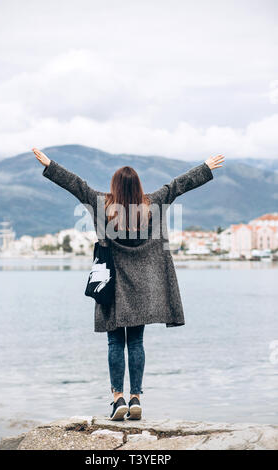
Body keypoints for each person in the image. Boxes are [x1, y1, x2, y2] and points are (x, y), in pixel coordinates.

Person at [32, 147, 224, 420]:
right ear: (138, 186)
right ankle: (136, 398)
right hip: (144, 288)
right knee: (135, 342)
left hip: (112, 286)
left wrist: (50, 164)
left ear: (114, 186)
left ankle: (117, 398)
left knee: (114, 342)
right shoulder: (153, 203)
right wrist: (205, 166)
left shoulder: (101, 204)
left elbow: (76, 185)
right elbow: (178, 186)